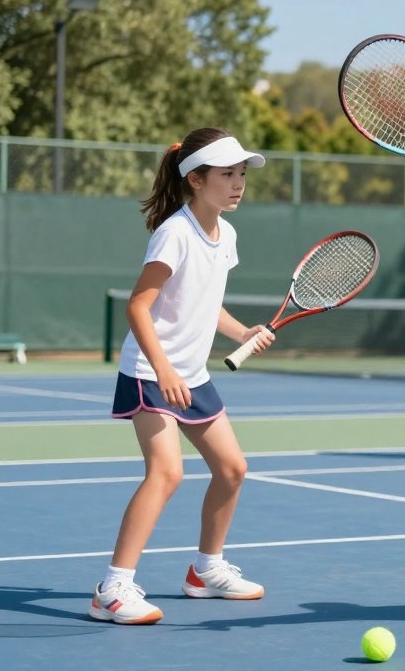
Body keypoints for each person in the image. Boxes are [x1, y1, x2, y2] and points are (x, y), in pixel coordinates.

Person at [89, 128, 276, 625]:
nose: (238, 184)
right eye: (227, 175)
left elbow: (206, 303)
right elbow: (138, 306)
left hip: (190, 375)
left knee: (233, 468)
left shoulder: (226, 234)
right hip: (152, 371)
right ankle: (112, 589)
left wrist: (243, 332)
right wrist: (165, 368)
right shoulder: (175, 232)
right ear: (195, 179)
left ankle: (206, 571)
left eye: (241, 175)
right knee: (167, 472)